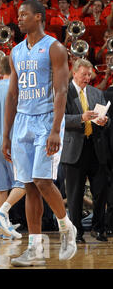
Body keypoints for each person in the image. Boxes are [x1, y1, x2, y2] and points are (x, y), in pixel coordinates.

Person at [2, 0, 77, 267]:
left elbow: (61, 90)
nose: (19, 19)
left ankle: (66, 226)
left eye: (24, 15)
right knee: (29, 186)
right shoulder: (16, 52)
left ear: (39, 17)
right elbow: (12, 95)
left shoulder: (55, 47)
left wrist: (56, 129)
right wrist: (6, 134)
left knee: (43, 180)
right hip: (22, 119)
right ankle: (35, 249)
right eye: (18, 15)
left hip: (46, 120)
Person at [60, 58, 110, 243]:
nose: (87, 78)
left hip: (96, 148)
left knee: (101, 192)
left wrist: (105, 122)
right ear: (74, 73)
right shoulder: (63, 92)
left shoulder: (97, 93)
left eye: (90, 75)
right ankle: (77, 233)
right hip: (74, 150)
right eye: (84, 74)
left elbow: (107, 119)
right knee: (74, 195)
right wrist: (81, 117)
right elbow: (60, 119)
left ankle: (99, 228)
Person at [0, 56, 26, 240]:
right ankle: (2, 214)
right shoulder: (16, 88)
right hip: (13, 140)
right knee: (24, 181)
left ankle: (4, 230)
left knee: (1, 186)